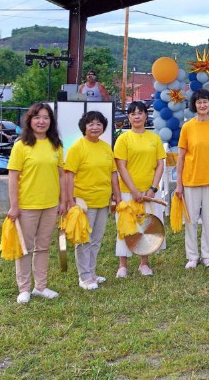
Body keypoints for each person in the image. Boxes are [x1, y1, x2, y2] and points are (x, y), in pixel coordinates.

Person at [6, 102, 67, 304]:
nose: (42, 121)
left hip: (50, 205)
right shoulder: (21, 146)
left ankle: (40, 286)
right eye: (37, 117)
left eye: (46, 118)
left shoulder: (56, 145)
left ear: (51, 121)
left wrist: (63, 201)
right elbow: (13, 178)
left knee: (43, 247)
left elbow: (61, 176)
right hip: (27, 206)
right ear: (29, 120)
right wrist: (14, 206)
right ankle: (24, 288)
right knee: (25, 248)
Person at [64, 110, 118, 291]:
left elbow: (112, 173)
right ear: (84, 127)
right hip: (84, 203)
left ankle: (92, 272)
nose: (95, 127)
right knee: (84, 240)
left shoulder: (105, 147)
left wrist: (116, 195)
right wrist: (70, 201)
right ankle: (84, 277)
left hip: (103, 200)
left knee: (96, 239)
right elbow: (68, 175)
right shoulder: (77, 147)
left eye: (98, 124)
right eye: (91, 124)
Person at [113, 101, 166, 278]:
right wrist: (134, 190)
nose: (137, 116)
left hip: (149, 192)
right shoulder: (123, 139)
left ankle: (144, 263)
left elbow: (160, 164)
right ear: (129, 117)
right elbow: (121, 166)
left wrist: (152, 188)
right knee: (126, 225)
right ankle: (123, 265)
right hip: (129, 191)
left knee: (146, 226)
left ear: (145, 116)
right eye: (133, 113)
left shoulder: (154, 138)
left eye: (140, 113)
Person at [176, 88, 209, 269]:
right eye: (199, 102)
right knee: (190, 220)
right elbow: (181, 157)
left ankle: (207, 255)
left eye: (205, 102)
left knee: (208, 219)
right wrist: (179, 184)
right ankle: (192, 256)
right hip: (190, 180)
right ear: (194, 105)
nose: (202, 105)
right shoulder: (188, 127)